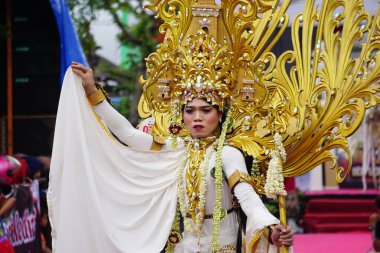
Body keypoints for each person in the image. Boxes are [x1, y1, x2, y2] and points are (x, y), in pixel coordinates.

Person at [66, 60, 294, 252]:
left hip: (223, 246)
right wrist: (92, 91)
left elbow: (247, 197)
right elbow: (127, 134)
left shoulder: (227, 153)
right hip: (185, 245)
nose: (197, 117)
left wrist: (270, 228)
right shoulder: (175, 148)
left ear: (220, 114)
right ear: (181, 115)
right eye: (189, 110)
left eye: (206, 110)